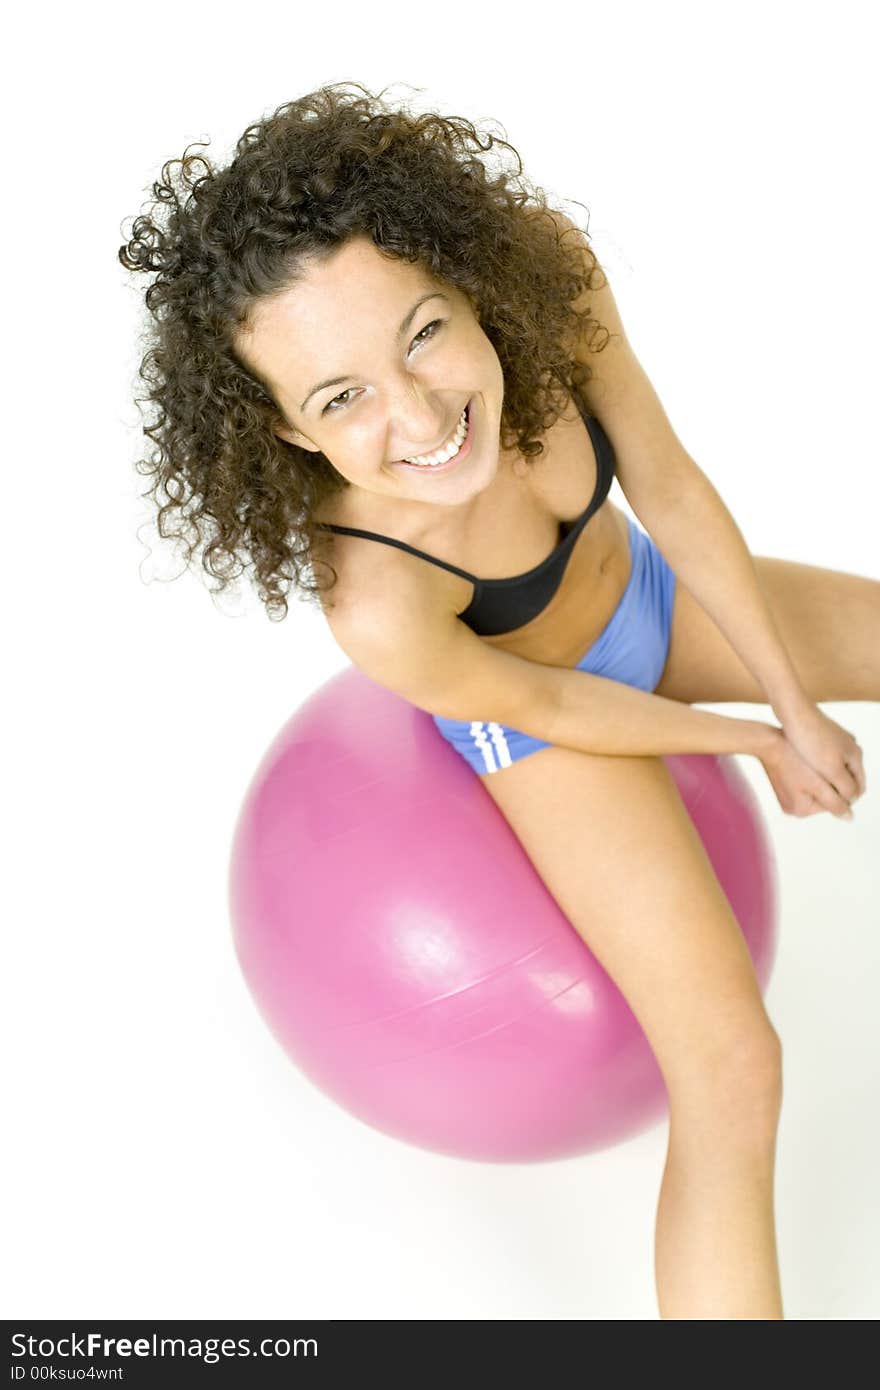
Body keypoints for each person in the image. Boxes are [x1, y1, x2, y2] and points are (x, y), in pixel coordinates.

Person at [119, 81, 877, 1320]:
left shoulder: (556, 287)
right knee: (733, 1072)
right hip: (538, 718)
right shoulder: (376, 595)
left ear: (470, 277)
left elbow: (674, 496)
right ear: (287, 436)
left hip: (639, 591)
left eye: (421, 332)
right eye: (339, 399)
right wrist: (747, 738)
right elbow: (565, 710)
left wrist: (795, 705)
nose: (414, 413)